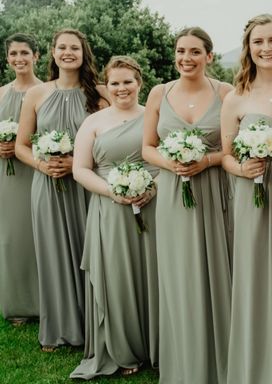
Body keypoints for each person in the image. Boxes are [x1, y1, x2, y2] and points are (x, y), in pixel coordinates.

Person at [142, 26, 234, 384]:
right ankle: (184, 363)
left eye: (195, 52)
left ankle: (223, 361)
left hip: (214, 191)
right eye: (181, 51)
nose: (186, 58)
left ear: (209, 57)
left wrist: (205, 162)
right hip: (173, 197)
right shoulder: (158, 93)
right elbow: (148, 146)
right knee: (180, 275)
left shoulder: (226, 93)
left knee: (219, 269)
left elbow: (231, 148)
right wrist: (173, 164)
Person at [221, 14, 272, 384]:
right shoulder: (235, 98)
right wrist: (242, 170)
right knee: (257, 277)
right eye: (258, 42)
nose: (266, 48)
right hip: (252, 195)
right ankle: (258, 366)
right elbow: (225, 154)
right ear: (248, 48)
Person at [15, 28, 108, 351]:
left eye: (75, 48)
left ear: (84, 54)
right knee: (53, 253)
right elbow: (21, 146)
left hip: (86, 185)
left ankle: (96, 327)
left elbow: (111, 142)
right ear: (53, 53)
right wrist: (43, 165)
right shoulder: (37, 95)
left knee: (92, 251)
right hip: (48, 187)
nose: (68, 52)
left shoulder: (99, 94)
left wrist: (79, 165)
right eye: (62, 47)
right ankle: (58, 328)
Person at [70, 56, 159, 379]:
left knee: (154, 275)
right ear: (107, 85)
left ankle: (158, 346)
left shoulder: (154, 115)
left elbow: (163, 162)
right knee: (118, 278)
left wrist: (151, 189)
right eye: (115, 83)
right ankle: (123, 348)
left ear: (139, 83)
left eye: (128, 82)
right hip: (109, 209)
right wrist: (113, 192)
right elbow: (80, 169)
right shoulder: (94, 122)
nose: (122, 88)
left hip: (153, 206)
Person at [0, 33, 42, 325]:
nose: (19, 59)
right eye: (14, 54)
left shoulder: (45, 92)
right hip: (7, 173)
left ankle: (44, 300)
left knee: (37, 232)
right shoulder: (1, 93)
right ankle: (17, 304)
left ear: (36, 56)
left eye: (25, 53)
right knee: (11, 237)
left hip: (35, 168)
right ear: (7, 59)